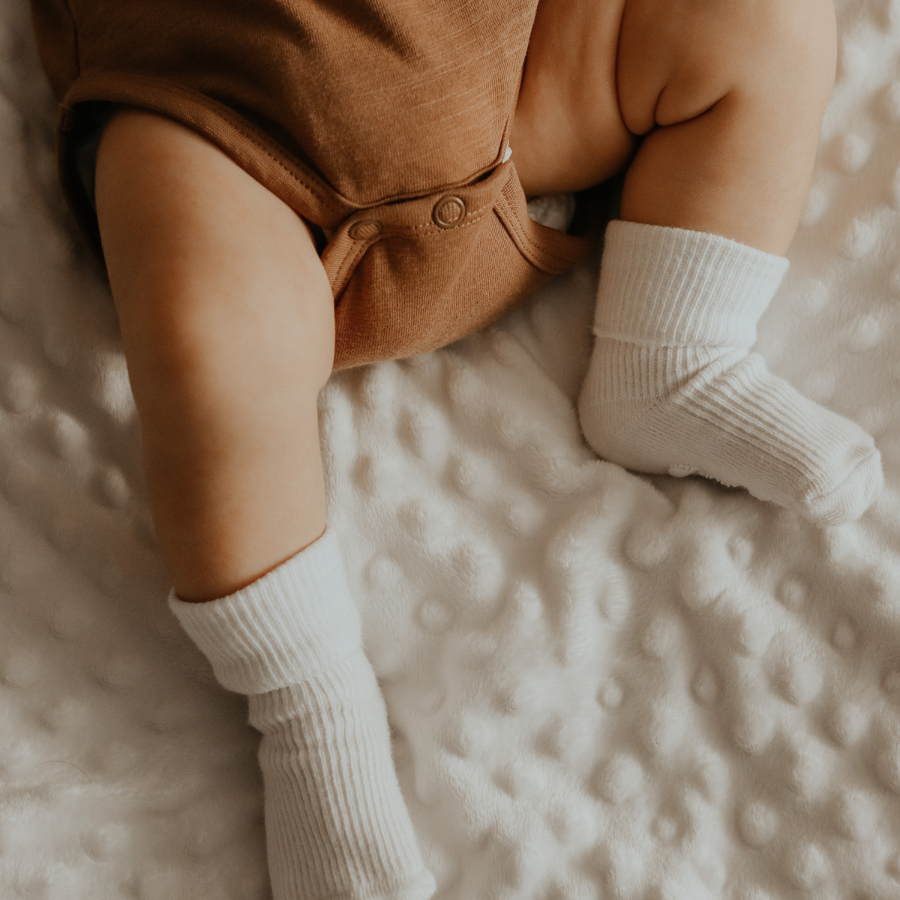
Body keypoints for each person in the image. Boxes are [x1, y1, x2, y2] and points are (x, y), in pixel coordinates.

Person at [29, 0, 882, 897]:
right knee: (202, 326)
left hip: (511, 95)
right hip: (232, 137)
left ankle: (674, 347)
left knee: (760, 14)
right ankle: (311, 707)